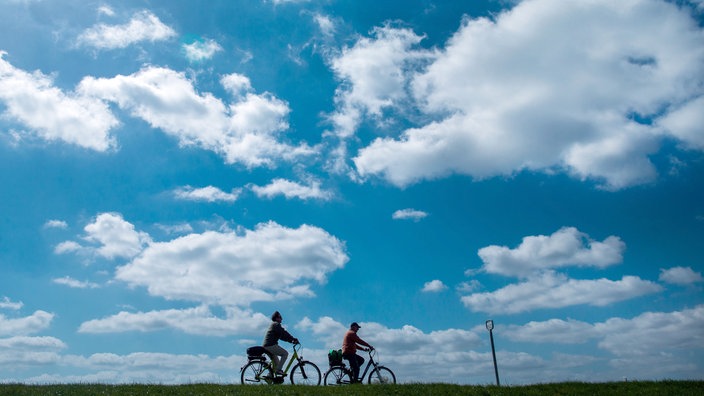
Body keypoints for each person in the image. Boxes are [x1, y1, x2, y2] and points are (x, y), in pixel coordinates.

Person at [262, 311, 298, 376]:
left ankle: (269, 379)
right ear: (276, 318)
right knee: (285, 354)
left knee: (276, 364)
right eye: (280, 317)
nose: (282, 319)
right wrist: (292, 339)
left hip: (267, 346)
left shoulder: (274, 325)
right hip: (270, 346)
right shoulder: (276, 324)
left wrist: (291, 341)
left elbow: (282, 336)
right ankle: (278, 371)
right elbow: (283, 333)